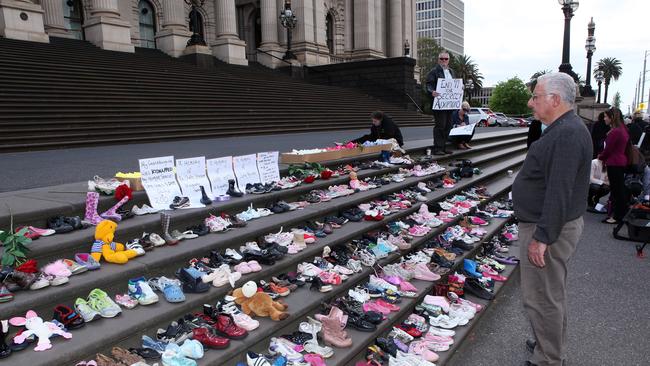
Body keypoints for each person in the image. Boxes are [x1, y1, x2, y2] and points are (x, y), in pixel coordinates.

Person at [512, 72, 592, 366]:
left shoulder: (567, 133)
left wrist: (542, 238)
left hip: (548, 229)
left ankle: (547, 358)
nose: (531, 103)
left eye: (535, 96)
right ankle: (547, 341)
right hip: (550, 224)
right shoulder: (563, 129)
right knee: (549, 294)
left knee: (542, 298)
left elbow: (560, 190)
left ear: (555, 99)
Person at [598, 107, 629, 224]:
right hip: (620, 161)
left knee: (616, 191)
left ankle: (617, 216)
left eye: (606, 116)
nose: (604, 119)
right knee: (619, 189)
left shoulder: (615, 132)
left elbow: (608, 150)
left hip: (614, 162)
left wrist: (600, 156)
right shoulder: (623, 129)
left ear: (612, 117)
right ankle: (619, 214)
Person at [425, 51, 455, 155]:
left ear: (448, 60)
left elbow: (454, 85)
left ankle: (444, 147)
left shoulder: (451, 72)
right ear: (438, 60)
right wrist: (431, 91)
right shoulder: (434, 71)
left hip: (449, 104)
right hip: (439, 104)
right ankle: (437, 148)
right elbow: (428, 85)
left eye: (446, 59)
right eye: (441, 59)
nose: (444, 61)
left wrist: (460, 87)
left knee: (448, 126)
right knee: (440, 126)